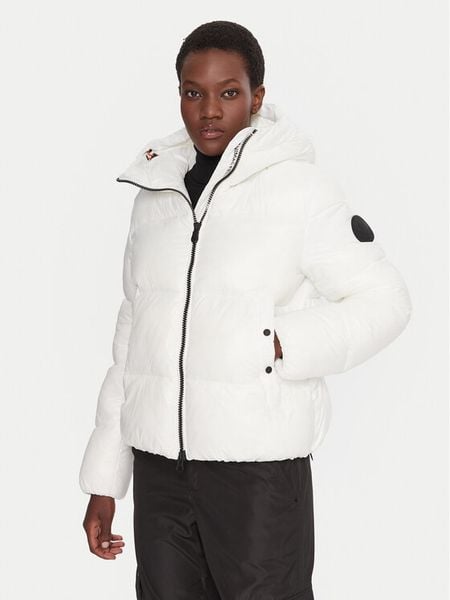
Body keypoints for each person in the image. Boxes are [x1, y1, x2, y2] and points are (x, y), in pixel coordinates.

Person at [79, 20, 413, 600]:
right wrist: (106, 479)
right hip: (160, 472)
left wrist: (280, 343)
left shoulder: (300, 191)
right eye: (194, 92)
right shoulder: (155, 197)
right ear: (179, 94)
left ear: (257, 97)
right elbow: (131, 338)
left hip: (257, 475)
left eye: (228, 92)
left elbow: (386, 302)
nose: (209, 110)